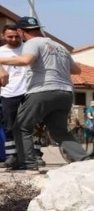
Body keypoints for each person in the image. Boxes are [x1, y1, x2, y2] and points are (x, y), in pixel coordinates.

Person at [0, 16, 89, 171]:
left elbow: (26, 60)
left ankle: (29, 164)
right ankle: (86, 161)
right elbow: (76, 70)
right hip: (65, 93)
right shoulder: (58, 46)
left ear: (21, 31)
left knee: (21, 127)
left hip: (43, 91)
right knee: (59, 132)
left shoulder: (32, 43)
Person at [0, 25, 28, 169]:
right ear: (3, 36)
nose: (14, 39)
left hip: (29, 91)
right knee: (9, 126)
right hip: (8, 93)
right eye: (10, 36)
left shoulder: (28, 48)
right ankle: (12, 156)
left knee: (30, 124)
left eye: (16, 36)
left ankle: (35, 154)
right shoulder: (0, 52)